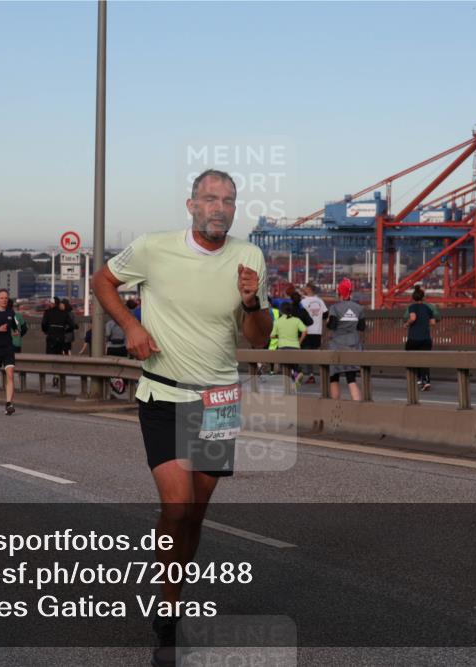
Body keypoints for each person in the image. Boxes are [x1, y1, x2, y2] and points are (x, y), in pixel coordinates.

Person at [91, 169, 272, 667]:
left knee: (195, 512)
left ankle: (173, 588)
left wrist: (253, 300)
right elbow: (102, 280)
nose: (219, 207)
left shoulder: (249, 257)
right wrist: (130, 325)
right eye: (210, 199)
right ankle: (168, 608)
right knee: (175, 506)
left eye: (229, 200)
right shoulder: (153, 248)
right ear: (191, 205)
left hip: (218, 400)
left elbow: (258, 337)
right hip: (164, 394)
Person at [326, 278, 366, 400]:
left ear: (339, 293)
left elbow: (331, 326)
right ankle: (357, 406)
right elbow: (361, 327)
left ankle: (335, 407)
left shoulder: (335, 308)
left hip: (337, 346)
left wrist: (328, 321)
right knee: (351, 379)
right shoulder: (359, 308)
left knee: (334, 378)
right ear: (350, 293)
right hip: (353, 345)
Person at [404, 286, 435, 390]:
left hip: (414, 338)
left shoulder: (412, 307)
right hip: (426, 338)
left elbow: (413, 318)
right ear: (423, 298)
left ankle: (418, 378)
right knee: (424, 359)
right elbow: (433, 322)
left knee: (411, 357)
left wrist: (407, 324)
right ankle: (426, 380)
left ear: (413, 298)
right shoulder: (428, 308)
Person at [271, 302, 308, 390]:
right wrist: (300, 341)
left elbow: (272, 336)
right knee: (294, 365)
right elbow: (305, 331)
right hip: (295, 346)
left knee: (285, 367)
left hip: (282, 347)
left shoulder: (277, 321)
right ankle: (297, 374)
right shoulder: (296, 320)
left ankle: (291, 383)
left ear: (281, 311)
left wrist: (279, 336)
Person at [299, 283, 327, 380]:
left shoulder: (303, 302)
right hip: (317, 331)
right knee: (316, 355)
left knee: (303, 355)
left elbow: (300, 315)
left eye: (305, 287)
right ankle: (316, 375)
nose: (303, 289)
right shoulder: (320, 301)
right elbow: (325, 315)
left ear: (309, 289)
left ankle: (304, 375)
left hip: (306, 332)